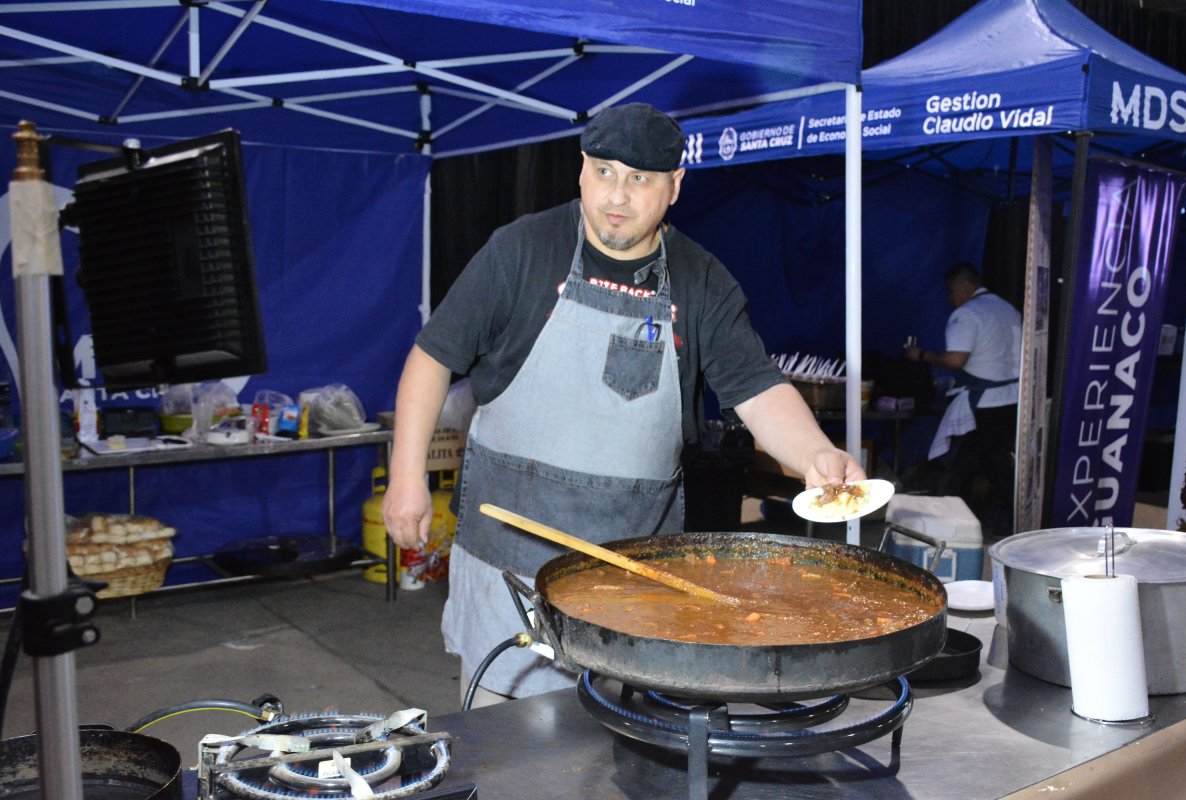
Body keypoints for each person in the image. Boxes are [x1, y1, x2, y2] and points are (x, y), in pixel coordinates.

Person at [382, 103, 865, 703]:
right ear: (581, 170)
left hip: (629, 577)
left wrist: (816, 454)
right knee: (505, 751)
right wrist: (407, 477)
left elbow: (758, 390)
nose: (618, 194)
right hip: (508, 570)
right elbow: (431, 359)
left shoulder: (702, 281)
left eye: (640, 178)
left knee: (616, 755)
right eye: (605, 171)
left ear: (674, 187)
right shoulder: (520, 251)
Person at [903, 263, 1021, 537]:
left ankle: (957, 522)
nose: (949, 298)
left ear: (966, 288)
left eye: (951, 291)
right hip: (1013, 400)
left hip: (984, 404)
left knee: (967, 464)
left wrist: (920, 355)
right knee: (995, 463)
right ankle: (994, 520)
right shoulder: (1009, 310)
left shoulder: (967, 314)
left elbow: (956, 359)